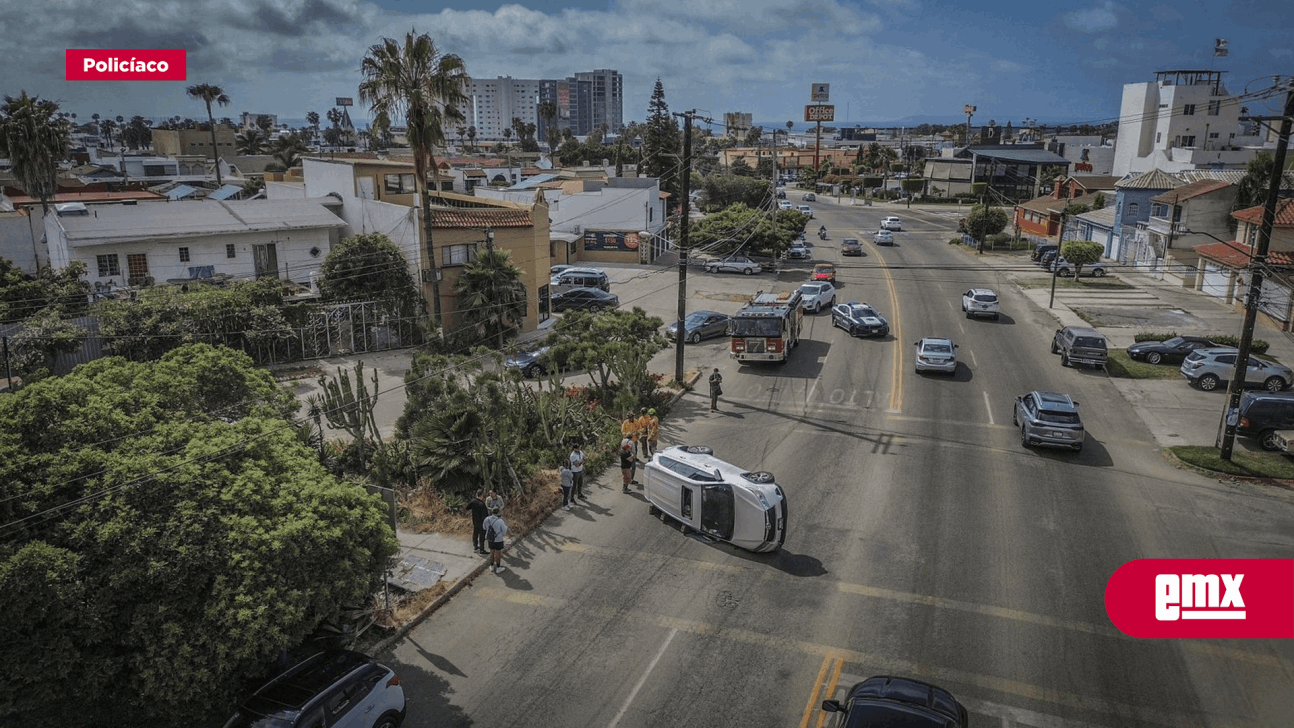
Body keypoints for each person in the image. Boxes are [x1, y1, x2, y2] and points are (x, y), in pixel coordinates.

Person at [482, 508, 508, 573]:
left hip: (490, 539)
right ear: (498, 512)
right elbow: (504, 530)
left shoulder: (487, 519)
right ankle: (498, 567)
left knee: (491, 552)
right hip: (498, 539)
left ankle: (491, 566)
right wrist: (502, 534)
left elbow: (484, 527)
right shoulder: (500, 521)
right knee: (497, 553)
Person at [465, 491, 488, 555]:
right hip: (482, 522)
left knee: (475, 534)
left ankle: (475, 547)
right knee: (482, 536)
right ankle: (482, 549)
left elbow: (467, 508)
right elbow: (485, 515)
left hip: (475, 521)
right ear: (481, 496)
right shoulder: (482, 504)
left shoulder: (473, 502)